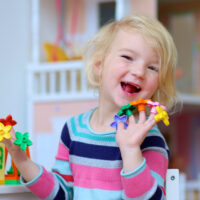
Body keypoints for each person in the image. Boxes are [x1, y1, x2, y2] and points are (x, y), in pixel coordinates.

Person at [3, 14, 177, 199]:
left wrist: (131, 151)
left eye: (152, 68)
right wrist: (20, 160)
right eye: (127, 57)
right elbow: (61, 194)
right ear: (99, 65)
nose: (139, 71)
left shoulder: (150, 139)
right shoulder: (73, 130)